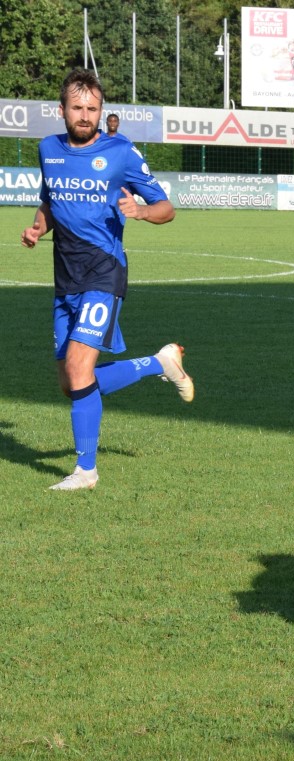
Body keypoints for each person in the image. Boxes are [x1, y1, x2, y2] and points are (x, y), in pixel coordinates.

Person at [20, 69, 191, 491]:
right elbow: (50, 200)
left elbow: (166, 207)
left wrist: (141, 212)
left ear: (101, 112)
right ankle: (159, 363)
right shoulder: (48, 148)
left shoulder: (121, 152)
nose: (84, 115)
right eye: (76, 108)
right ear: (61, 110)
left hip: (104, 271)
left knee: (80, 369)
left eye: (91, 109)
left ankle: (86, 472)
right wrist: (38, 227)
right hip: (66, 278)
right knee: (70, 383)